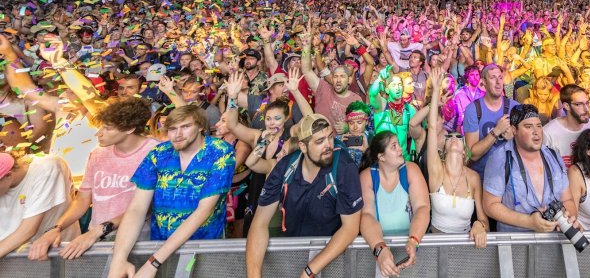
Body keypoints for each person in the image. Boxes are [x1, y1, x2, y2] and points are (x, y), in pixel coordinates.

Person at [108, 105, 236, 278]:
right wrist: (119, 259)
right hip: (161, 246)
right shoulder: (159, 153)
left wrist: (152, 263)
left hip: (204, 249)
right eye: (172, 129)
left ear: (200, 126)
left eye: (185, 127)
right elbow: (137, 208)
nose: (178, 134)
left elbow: (204, 210)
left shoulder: (220, 151)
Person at [28, 98, 158, 261]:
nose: (98, 133)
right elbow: (82, 199)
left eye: (107, 129)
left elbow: (147, 207)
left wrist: (99, 231)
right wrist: (56, 227)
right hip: (96, 238)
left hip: (138, 239)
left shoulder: (155, 152)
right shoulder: (98, 154)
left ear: (130, 129)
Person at [246, 113, 363, 278]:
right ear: (302, 146)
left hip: (332, 259)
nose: (328, 145)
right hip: (293, 257)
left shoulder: (344, 167)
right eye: (319, 141)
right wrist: (253, 275)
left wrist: (309, 271)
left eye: (330, 137)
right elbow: (259, 223)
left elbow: (350, 228)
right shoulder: (285, 167)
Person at [482, 104, 580, 232]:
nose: (536, 132)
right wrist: (529, 222)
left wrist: (568, 217)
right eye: (528, 127)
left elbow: (567, 199)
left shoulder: (554, 156)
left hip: (552, 241)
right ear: (514, 130)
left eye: (539, 126)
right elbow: (490, 205)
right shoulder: (500, 158)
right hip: (516, 243)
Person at [425, 69, 488, 247]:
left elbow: (485, 221)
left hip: (465, 248)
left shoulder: (473, 177)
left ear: (464, 151)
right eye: (450, 137)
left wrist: (478, 224)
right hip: (435, 248)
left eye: (459, 137)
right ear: (443, 148)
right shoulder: (436, 170)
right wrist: (436, 90)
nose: (454, 138)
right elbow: (431, 128)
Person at [359, 131, 431, 278]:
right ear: (381, 156)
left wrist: (414, 240)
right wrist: (380, 249)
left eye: (398, 144)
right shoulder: (367, 176)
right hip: (378, 248)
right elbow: (367, 216)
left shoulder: (411, 170)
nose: (400, 148)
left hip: (411, 248)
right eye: (394, 146)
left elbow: (422, 208)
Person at [0, 151, 80, 259]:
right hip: (16, 259)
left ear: (8, 176)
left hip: (58, 255)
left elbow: (27, 230)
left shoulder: (46, 168)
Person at [464, 64, 519, 177]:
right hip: (482, 177)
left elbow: (528, 144)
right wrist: (496, 131)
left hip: (510, 176)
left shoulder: (515, 107)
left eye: (500, 77)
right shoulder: (473, 109)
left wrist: (514, 138)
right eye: (493, 77)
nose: (498, 82)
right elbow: (472, 155)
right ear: (483, 82)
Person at [544, 85, 590, 169]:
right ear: (566, 106)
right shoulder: (548, 132)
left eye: (587, 103)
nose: (586, 109)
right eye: (579, 104)